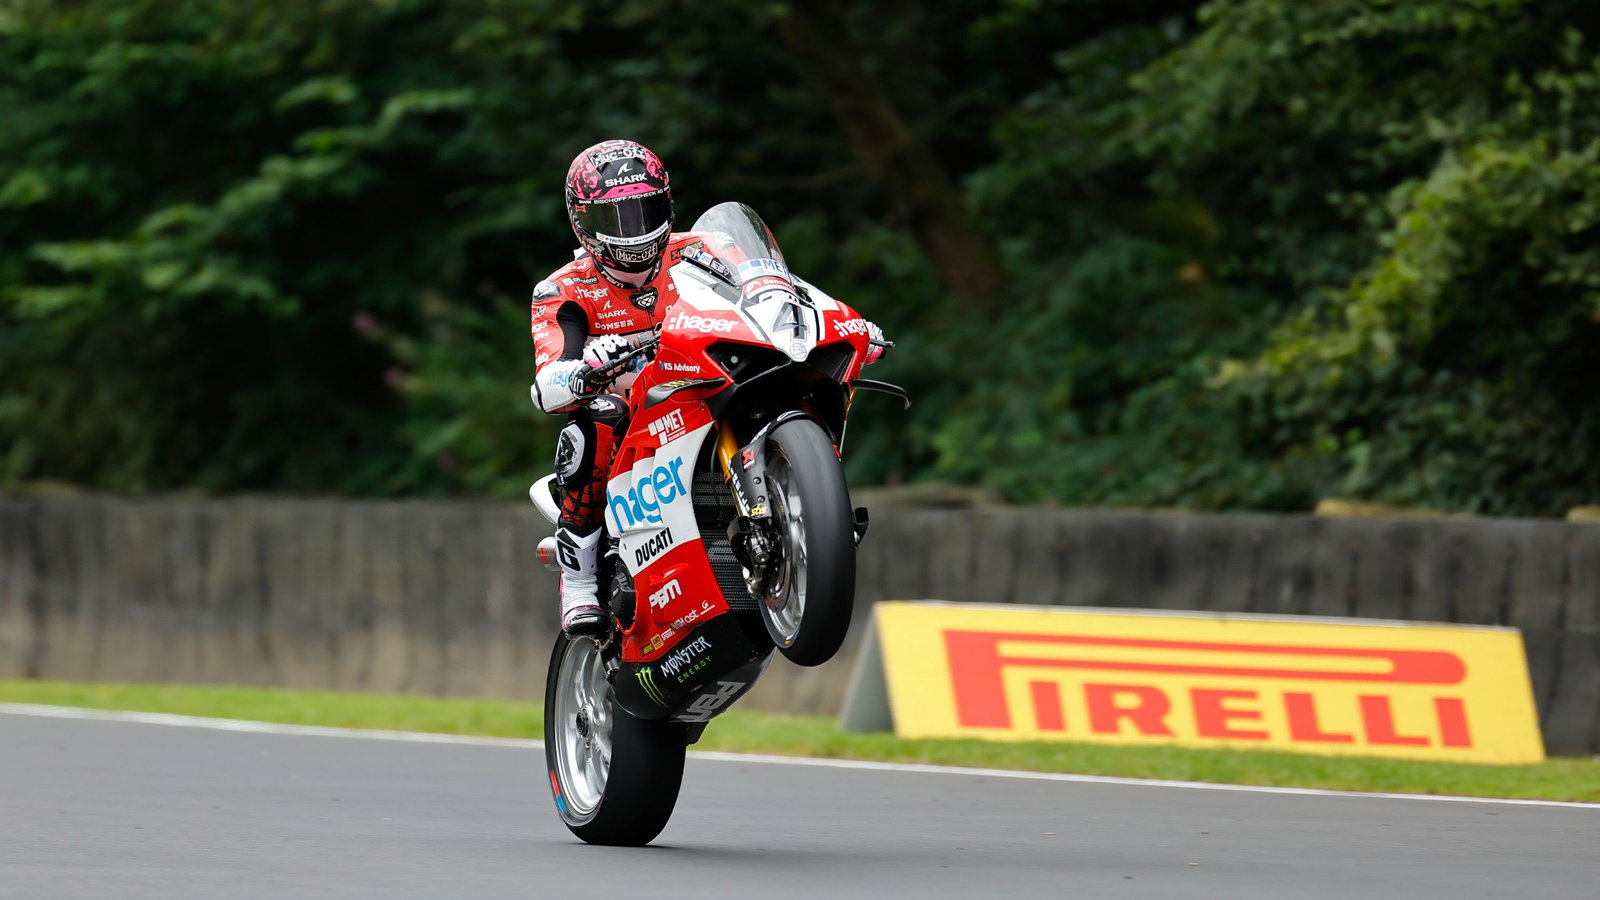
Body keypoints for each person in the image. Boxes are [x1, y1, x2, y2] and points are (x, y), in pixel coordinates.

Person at [530, 139, 884, 634]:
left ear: (667, 205)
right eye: (615, 221)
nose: (633, 233)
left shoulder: (704, 248)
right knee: (595, 420)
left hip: (704, 378)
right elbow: (548, 381)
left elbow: (778, 287)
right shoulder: (562, 289)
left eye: (645, 211)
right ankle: (580, 577)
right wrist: (584, 369)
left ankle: (802, 510)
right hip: (636, 408)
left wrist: (845, 321)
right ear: (582, 223)